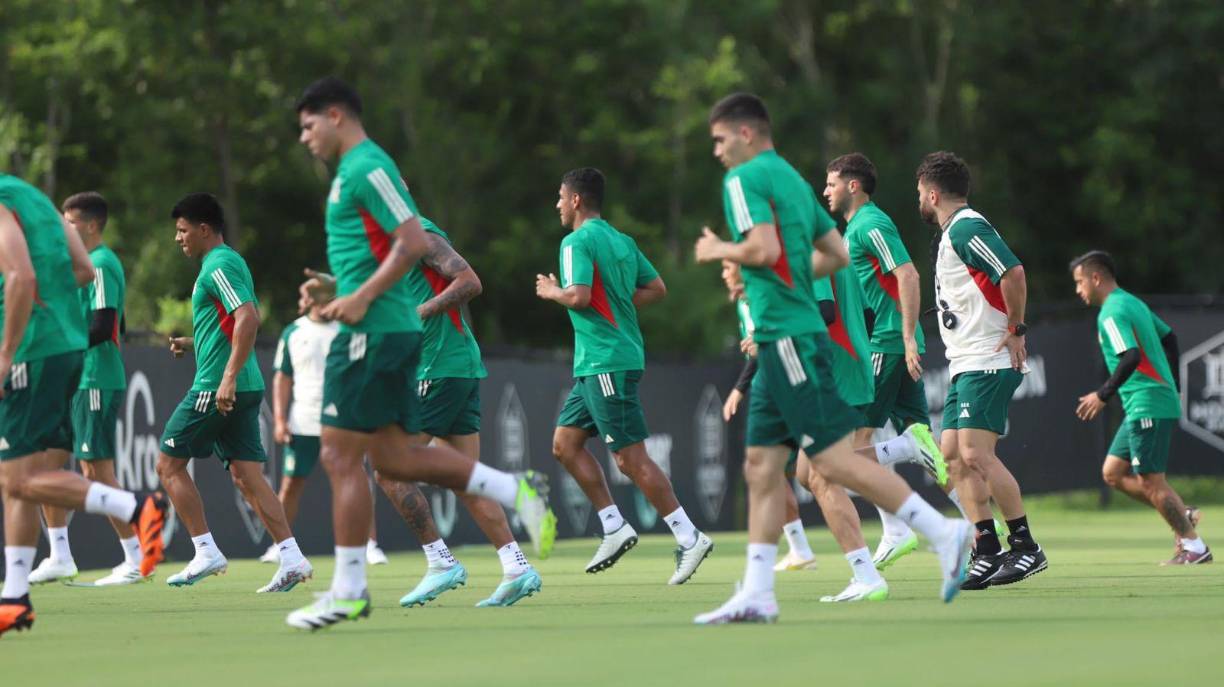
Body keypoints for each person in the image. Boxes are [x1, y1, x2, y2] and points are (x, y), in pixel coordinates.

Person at [692, 94, 971, 624]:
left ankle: (943, 533)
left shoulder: (744, 181)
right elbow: (833, 256)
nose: (717, 151)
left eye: (720, 139)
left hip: (791, 339)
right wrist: (784, 284)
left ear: (746, 134)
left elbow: (764, 251)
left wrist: (719, 251)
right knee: (764, 465)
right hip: (786, 335)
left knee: (832, 464)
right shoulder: (794, 181)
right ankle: (757, 591)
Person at [288, 77, 554, 629]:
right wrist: (336, 291)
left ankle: (353, 588)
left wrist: (360, 298)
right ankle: (513, 499)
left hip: (388, 341)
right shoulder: (351, 176)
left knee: (344, 458)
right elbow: (386, 261)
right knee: (392, 461)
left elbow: (412, 242)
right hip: (392, 337)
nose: (304, 138)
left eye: (308, 125)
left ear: (335, 115)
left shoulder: (369, 168)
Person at [0, 174, 166, 638]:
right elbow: (79, 268)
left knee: (18, 477)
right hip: (66, 352)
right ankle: (14, 596)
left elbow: (20, 275)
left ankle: (136, 505)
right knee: (23, 482)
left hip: (34, 355)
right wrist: (49, 310)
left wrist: (8, 349)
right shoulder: (33, 196)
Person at [537, 167, 714, 585]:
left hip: (606, 362)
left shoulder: (574, 242)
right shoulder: (622, 240)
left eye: (561, 197)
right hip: (601, 362)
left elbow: (578, 297)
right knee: (565, 445)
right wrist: (615, 303)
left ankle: (689, 538)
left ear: (577, 200)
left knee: (630, 459)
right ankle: (614, 525)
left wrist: (551, 292)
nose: (558, 205)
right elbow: (657, 289)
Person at [156, 192, 313, 593]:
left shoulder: (218, 264)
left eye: (182, 230)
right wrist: (195, 342)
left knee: (168, 465)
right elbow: (230, 324)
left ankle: (205, 550)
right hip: (245, 386)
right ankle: (292, 557)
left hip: (218, 387)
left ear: (204, 229)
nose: (178, 238)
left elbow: (248, 317)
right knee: (247, 475)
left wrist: (225, 378)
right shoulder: (228, 262)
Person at [825, 152, 965, 569]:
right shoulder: (853, 231)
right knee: (933, 452)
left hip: (887, 345)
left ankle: (898, 527)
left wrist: (905, 336)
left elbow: (907, 273)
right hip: (886, 343)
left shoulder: (872, 223)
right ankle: (986, 533)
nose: (825, 191)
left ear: (854, 186)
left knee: (851, 451)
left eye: (831, 183)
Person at [917, 151, 1047, 589]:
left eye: (920, 192)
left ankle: (1026, 547)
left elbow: (1012, 271)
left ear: (933, 193)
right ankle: (987, 550)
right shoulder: (956, 230)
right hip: (965, 361)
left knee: (975, 454)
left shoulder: (968, 227)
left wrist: (1016, 327)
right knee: (950, 456)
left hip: (987, 358)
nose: (919, 199)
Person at [28, 192, 147, 586]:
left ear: (92, 225)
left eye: (71, 221)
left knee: (96, 469)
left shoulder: (100, 264)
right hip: (76, 378)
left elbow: (104, 325)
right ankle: (60, 554)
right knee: (47, 464)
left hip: (95, 378)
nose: (64, 227)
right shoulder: (85, 265)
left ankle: (136, 557)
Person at [1070, 250, 1210, 564]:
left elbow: (1130, 356)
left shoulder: (1111, 312)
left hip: (1147, 403)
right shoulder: (1131, 301)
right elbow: (1170, 338)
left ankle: (1195, 547)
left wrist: (1102, 394)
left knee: (1150, 481)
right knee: (1113, 473)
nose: (1078, 290)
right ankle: (1181, 514)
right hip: (1146, 402)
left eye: (1080, 282)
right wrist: (1174, 386)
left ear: (1096, 278)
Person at [261, 304, 388, 566]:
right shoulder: (293, 332)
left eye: (313, 293)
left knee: (355, 480)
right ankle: (280, 545)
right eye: (305, 295)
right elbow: (282, 379)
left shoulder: (346, 328)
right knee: (291, 483)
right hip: (303, 422)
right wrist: (280, 420)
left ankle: (370, 545)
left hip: (342, 420)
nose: (307, 299)